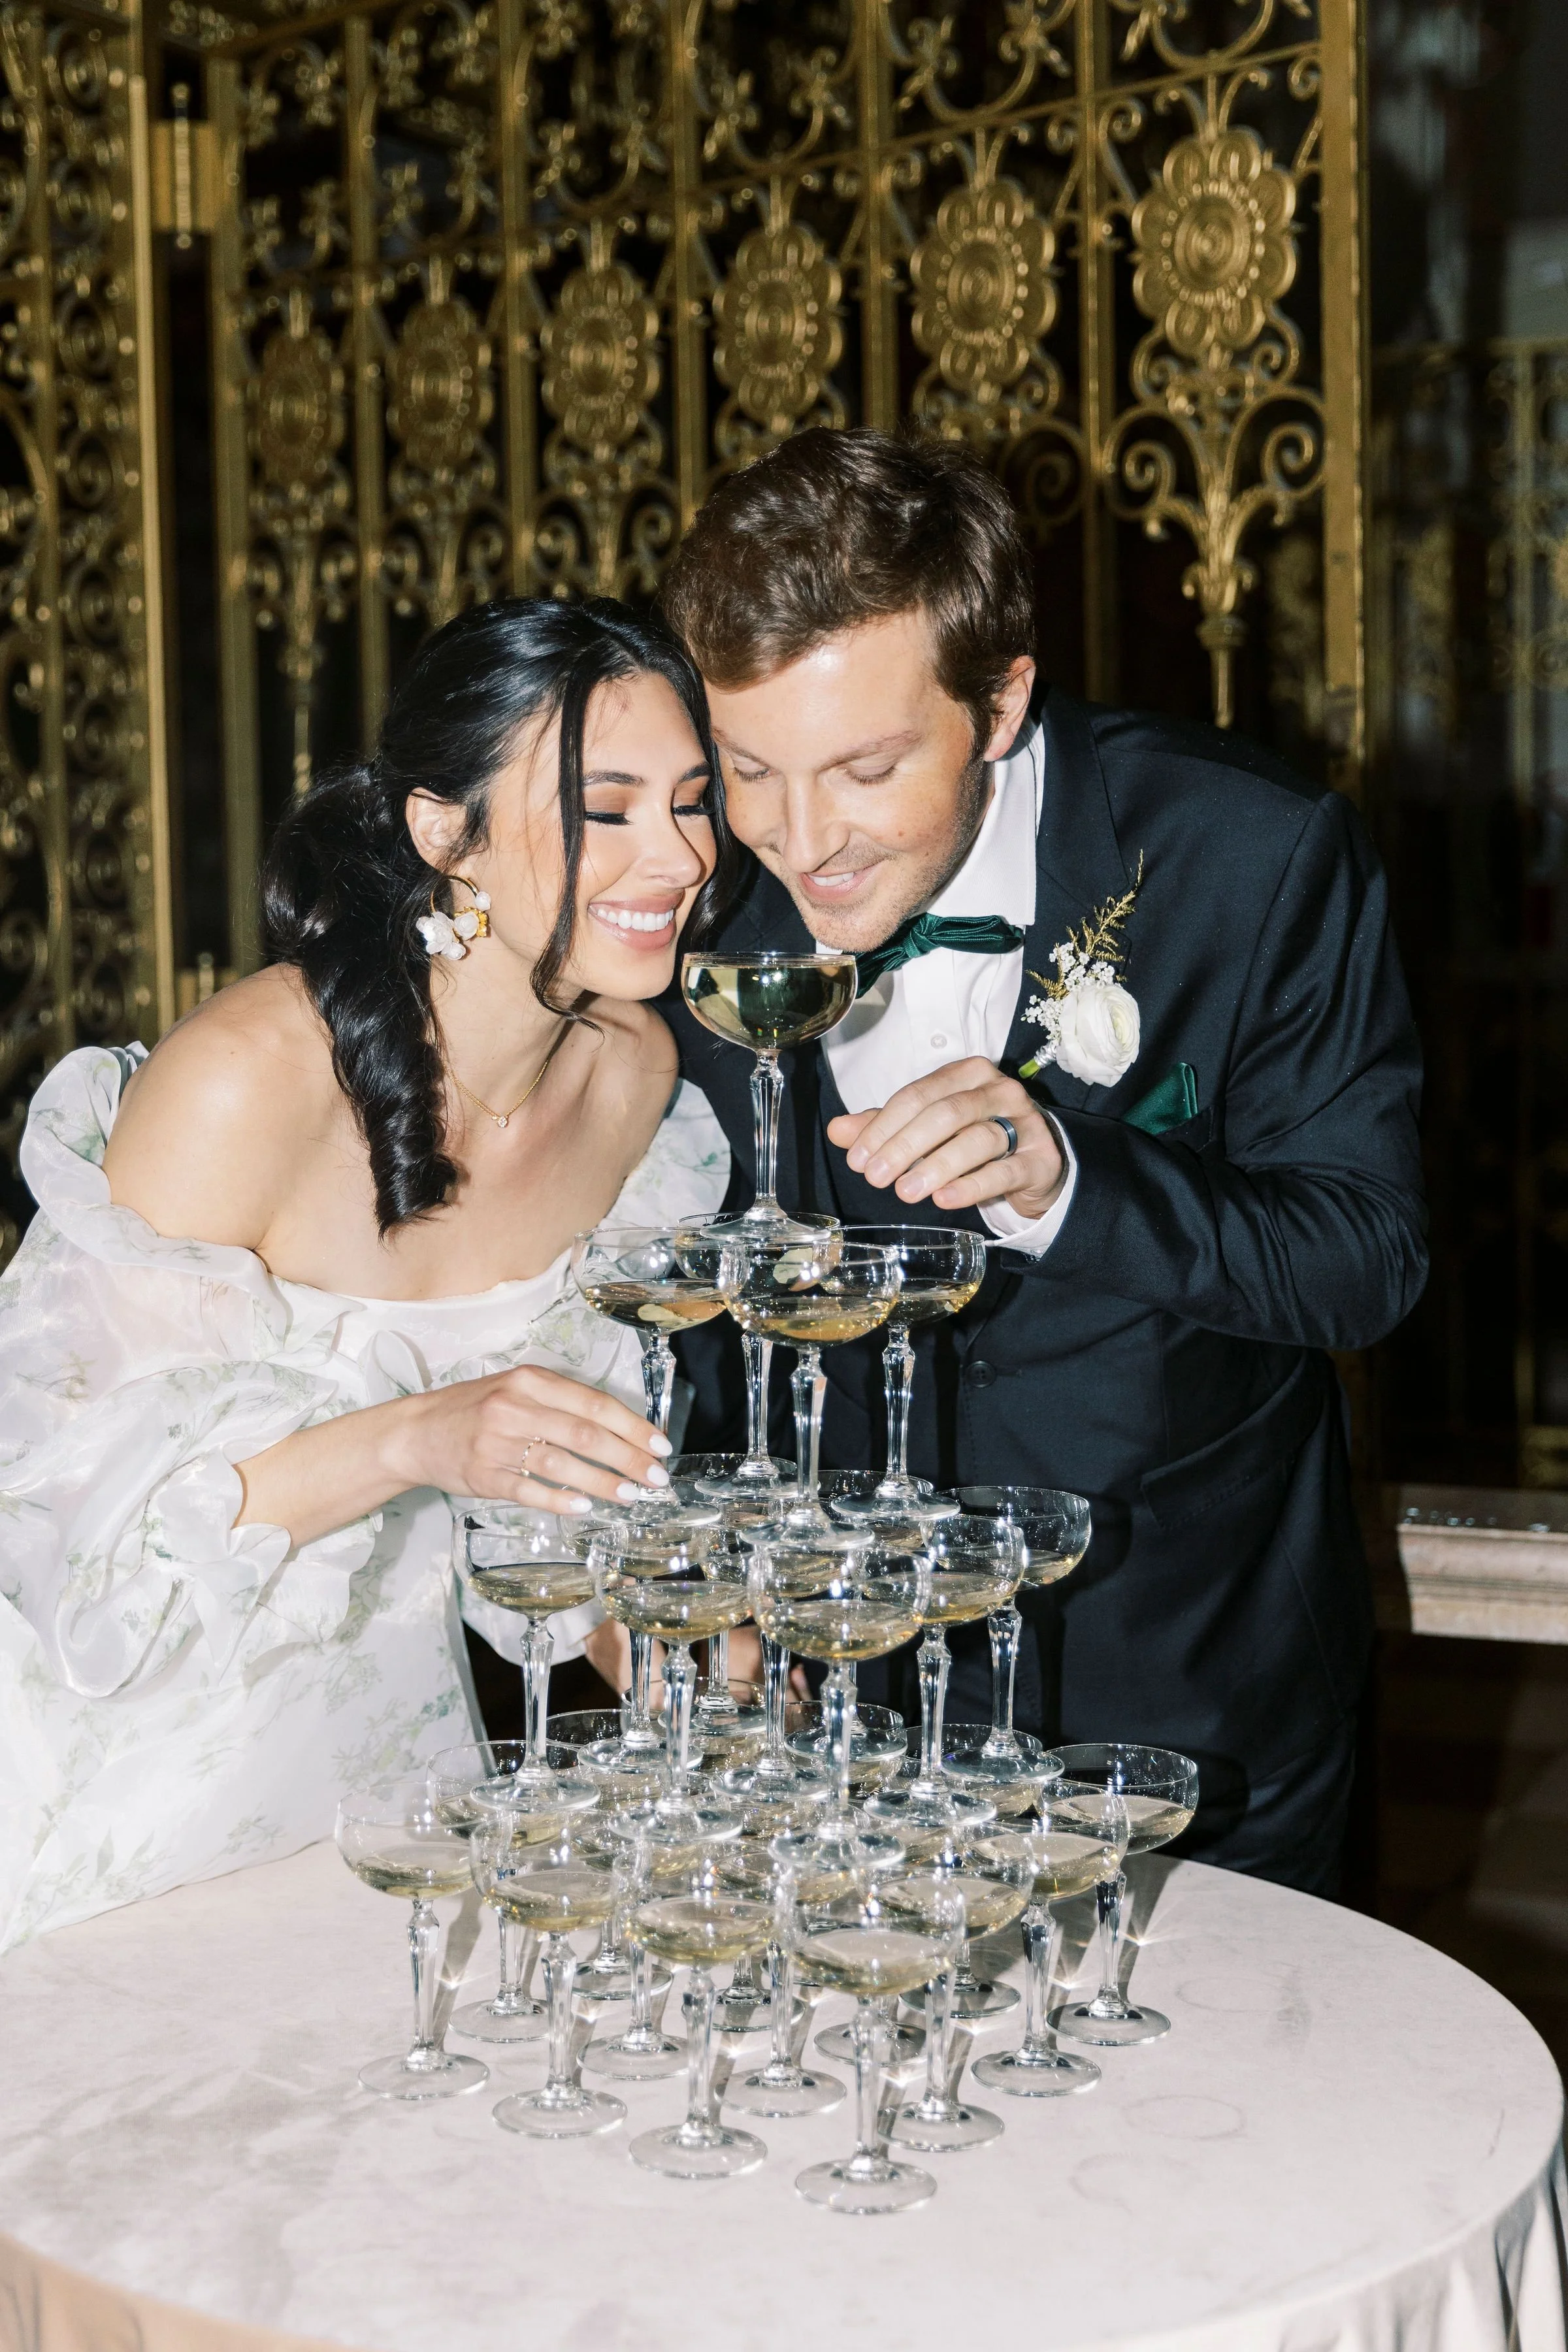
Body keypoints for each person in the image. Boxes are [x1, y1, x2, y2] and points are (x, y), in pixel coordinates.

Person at [660, 429, 1428, 1893]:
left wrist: (1074, 1187)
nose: (799, 841)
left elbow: (1366, 1258)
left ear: (1000, 701)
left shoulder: (1252, 855)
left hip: (1195, 1698)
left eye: (868, 768)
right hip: (848, 1725)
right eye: (749, 767)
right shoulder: (705, 901)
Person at [0, 596, 736, 1950]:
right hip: (104, 1810)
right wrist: (414, 1435)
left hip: (389, 1801)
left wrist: (690, 1666)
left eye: (695, 802)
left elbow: (551, 1497)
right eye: (609, 808)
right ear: (443, 833)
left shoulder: (634, 1077)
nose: (678, 857)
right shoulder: (239, 1087)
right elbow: (78, 1558)